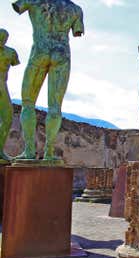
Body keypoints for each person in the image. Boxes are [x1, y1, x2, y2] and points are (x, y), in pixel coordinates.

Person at [12, 0, 84, 162]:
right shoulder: (75, 9)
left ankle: (29, 151)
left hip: (40, 50)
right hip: (62, 53)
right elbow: (77, 31)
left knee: (28, 103)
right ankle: (49, 152)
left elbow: (18, 6)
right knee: (55, 106)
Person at [0, 29, 20, 162]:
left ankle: (0, 150)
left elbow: (15, 62)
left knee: (8, 118)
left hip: (2, 85)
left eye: (4, 38)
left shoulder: (10, 52)